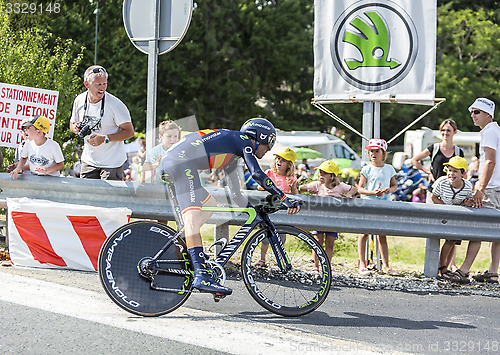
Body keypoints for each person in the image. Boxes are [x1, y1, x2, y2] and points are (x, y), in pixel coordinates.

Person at [159, 118, 301, 295]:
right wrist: (283, 196)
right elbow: (257, 173)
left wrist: (253, 210)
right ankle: (201, 274)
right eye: (269, 143)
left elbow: (236, 195)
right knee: (192, 220)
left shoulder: (231, 154)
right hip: (181, 164)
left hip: (175, 163)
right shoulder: (242, 140)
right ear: (260, 136)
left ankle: (186, 249)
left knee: (210, 204)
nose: (269, 149)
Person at [446, 98, 500, 284]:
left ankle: (463, 271)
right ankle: (493, 271)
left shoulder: (489, 131)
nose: (472, 115)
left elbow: (490, 161)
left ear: (488, 114)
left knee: (479, 229)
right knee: (496, 232)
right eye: (472, 111)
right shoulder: (496, 130)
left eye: (476, 112)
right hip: (497, 186)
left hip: (492, 187)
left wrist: (480, 189)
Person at [70, 65, 135, 180]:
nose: (102, 88)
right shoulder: (79, 100)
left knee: (108, 197)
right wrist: (75, 128)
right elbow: (72, 124)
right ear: (87, 84)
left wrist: (105, 138)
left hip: (112, 164)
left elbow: (129, 132)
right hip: (88, 160)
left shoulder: (116, 104)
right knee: (86, 196)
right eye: (98, 84)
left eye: (104, 84)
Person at [299, 160, 357, 273]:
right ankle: (315, 266)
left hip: (332, 220)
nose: (321, 175)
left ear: (332, 176)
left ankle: (326, 266)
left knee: (330, 243)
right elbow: (302, 188)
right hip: (319, 219)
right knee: (317, 242)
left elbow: (353, 189)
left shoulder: (340, 186)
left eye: (324, 173)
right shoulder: (317, 185)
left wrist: (349, 194)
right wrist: (305, 188)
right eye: (320, 172)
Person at [357, 139, 398, 275]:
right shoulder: (366, 169)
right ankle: (362, 263)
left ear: (383, 153)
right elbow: (360, 188)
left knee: (382, 235)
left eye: (377, 151)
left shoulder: (389, 168)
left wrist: (389, 190)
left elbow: (394, 186)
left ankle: (385, 265)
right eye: (371, 151)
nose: (373, 154)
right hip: (368, 204)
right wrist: (372, 193)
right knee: (364, 233)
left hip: (384, 205)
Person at [430, 156, 475, 279]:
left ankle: (445, 267)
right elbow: (434, 197)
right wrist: (446, 209)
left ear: (463, 173)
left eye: (455, 171)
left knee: (452, 242)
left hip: (456, 218)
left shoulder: (467, 186)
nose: (451, 174)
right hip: (442, 213)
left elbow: (466, 201)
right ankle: (442, 267)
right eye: (449, 170)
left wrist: (467, 203)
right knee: (450, 241)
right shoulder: (441, 182)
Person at [255, 147, 298, 268]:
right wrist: (266, 185)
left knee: (281, 238)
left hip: (281, 212)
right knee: (265, 237)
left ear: (289, 165)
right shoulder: (269, 173)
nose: (279, 161)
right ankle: (262, 259)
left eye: (283, 160)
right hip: (268, 209)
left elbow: (295, 195)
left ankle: (281, 259)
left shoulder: (291, 178)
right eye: (278, 158)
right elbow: (259, 188)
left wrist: (294, 187)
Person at [410, 119, 464, 190]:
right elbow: (414, 160)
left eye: (448, 130)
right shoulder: (434, 148)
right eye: (443, 130)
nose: (445, 133)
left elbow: (463, 172)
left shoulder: (458, 152)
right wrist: (428, 172)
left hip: (451, 191)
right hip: (434, 189)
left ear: (455, 132)